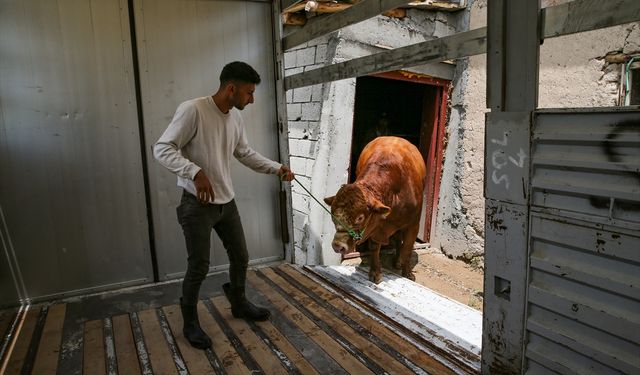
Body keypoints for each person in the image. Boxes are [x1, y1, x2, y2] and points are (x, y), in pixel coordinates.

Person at [153, 61, 294, 350]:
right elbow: (162, 148)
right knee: (199, 266)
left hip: (226, 203)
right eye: (249, 93)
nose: (252, 99)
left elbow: (244, 153)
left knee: (241, 257)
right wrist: (195, 172)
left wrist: (277, 168)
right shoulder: (193, 110)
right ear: (231, 88)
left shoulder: (235, 118)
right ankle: (190, 321)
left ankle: (239, 303)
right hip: (197, 205)